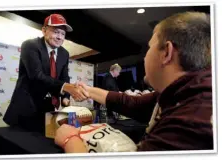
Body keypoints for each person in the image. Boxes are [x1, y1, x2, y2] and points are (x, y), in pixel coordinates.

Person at [55, 11, 212, 152]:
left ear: (166, 53)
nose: (145, 56)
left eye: (149, 47)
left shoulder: (192, 120)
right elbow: (131, 103)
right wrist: (87, 90)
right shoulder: (179, 93)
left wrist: (70, 139)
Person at [3, 14, 89, 133]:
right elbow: (36, 75)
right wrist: (66, 87)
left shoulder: (64, 53)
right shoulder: (30, 45)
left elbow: (64, 77)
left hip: (48, 110)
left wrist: (65, 98)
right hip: (26, 109)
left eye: (63, 34)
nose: (59, 37)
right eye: (56, 32)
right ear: (44, 30)